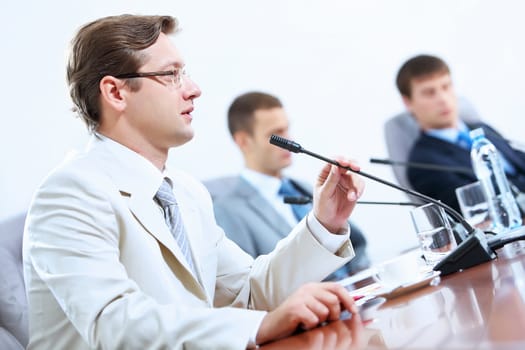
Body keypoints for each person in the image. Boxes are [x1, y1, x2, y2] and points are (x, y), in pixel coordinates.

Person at [22, 14, 366, 349]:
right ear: (115, 92)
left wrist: (324, 222)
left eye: (184, 73)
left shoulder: (184, 191)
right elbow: (114, 324)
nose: (194, 90)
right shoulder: (70, 193)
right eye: (171, 75)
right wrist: (260, 326)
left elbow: (249, 291)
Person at [208, 91, 370, 278]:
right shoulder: (227, 211)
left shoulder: (304, 188)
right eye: (276, 134)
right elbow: (248, 285)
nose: (289, 140)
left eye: (286, 129)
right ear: (243, 141)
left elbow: (357, 246)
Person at [396, 54, 525, 212]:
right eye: (429, 93)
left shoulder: (482, 128)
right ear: (408, 102)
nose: (443, 99)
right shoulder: (423, 163)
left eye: (446, 86)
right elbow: (483, 209)